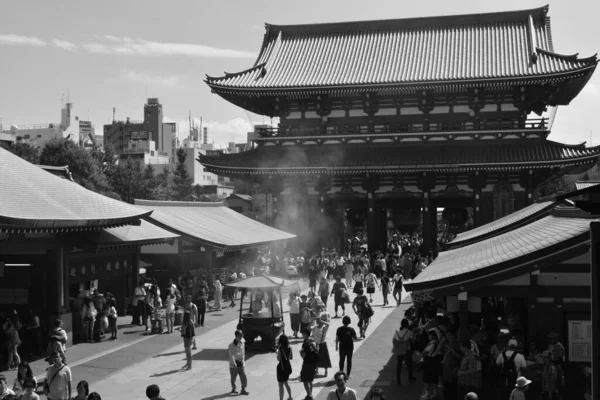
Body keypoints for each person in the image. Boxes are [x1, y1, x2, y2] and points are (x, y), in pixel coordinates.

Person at [392, 318, 414, 386]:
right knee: (409, 365)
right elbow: (412, 340)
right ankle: (410, 378)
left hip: (399, 350)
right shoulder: (409, 332)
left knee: (399, 366)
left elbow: (394, 340)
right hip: (407, 350)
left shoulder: (396, 332)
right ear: (407, 325)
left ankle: (398, 381)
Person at [299, 327, 319, 400]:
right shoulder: (311, 342)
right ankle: (310, 394)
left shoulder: (305, 343)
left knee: (305, 380)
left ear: (305, 334)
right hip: (313, 363)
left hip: (307, 363)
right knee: (310, 380)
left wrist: (301, 353)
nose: (302, 334)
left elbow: (304, 356)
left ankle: (309, 395)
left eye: (302, 333)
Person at [228, 330, 248, 395]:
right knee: (233, 378)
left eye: (242, 336)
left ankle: (243, 389)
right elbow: (231, 356)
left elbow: (243, 352)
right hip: (234, 364)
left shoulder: (242, 342)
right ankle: (234, 388)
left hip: (241, 363)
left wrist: (243, 361)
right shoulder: (231, 345)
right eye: (240, 336)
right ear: (236, 336)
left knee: (244, 376)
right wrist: (234, 363)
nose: (241, 337)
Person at [276, 334, 293, 400]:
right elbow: (291, 357)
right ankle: (290, 396)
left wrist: (277, 353)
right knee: (286, 383)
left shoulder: (280, 349)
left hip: (281, 368)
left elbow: (279, 359)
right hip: (287, 367)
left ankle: (281, 399)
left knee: (280, 385)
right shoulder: (289, 348)